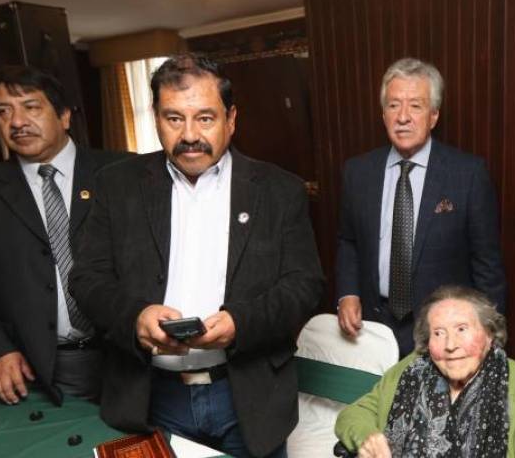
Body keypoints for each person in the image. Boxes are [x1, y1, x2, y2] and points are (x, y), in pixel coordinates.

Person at [70, 54, 324, 458]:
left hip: (248, 398)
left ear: (231, 119)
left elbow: (304, 285)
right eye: (174, 118)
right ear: (156, 118)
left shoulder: (279, 190)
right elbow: (87, 278)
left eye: (205, 118)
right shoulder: (116, 185)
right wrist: (135, 317)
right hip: (151, 398)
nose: (189, 134)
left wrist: (241, 323)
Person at [336, 57, 506, 355]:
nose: (403, 117)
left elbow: (487, 265)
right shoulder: (357, 172)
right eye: (393, 105)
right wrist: (347, 293)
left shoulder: (467, 174)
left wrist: (489, 338)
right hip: (372, 330)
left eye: (415, 105)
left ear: (434, 115)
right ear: (383, 113)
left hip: (443, 336)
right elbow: (348, 242)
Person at [0, 65, 127, 405]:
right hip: (38, 370)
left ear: (64, 116)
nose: (17, 122)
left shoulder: (126, 174)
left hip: (133, 359)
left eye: (31, 107)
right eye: (3, 112)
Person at [335, 285, 515, 458]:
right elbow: (353, 415)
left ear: (489, 335)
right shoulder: (409, 371)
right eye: (439, 333)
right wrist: (368, 437)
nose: (450, 344)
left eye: (462, 329)